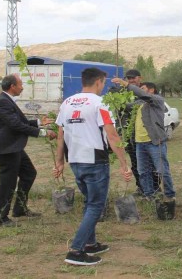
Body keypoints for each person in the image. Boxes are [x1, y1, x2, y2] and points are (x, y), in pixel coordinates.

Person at [54, 67, 132, 266]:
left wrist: (59, 161)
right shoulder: (100, 103)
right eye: (103, 83)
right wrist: (124, 163)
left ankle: (90, 243)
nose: (103, 86)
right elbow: (112, 135)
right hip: (95, 161)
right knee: (96, 206)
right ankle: (76, 250)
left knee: (90, 202)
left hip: (76, 160)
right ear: (98, 81)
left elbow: (61, 135)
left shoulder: (67, 102)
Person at [0, 74, 56, 227]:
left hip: (13, 147)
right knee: (8, 183)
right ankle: (0, 218)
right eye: (20, 84)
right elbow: (15, 125)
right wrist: (42, 132)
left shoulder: (6, 100)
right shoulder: (2, 102)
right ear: (12, 86)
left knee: (29, 173)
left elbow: (18, 122)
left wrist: (38, 122)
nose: (22, 87)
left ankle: (19, 209)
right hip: (7, 149)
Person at [111, 78, 175, 200]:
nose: (140, 91)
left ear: (151, 90)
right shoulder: (139, 103)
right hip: (140, 143)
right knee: (143, 171)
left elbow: (144, 96)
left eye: (143, 89)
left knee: (162, 170)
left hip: (155, 142)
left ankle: (170, 195)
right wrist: (115, 97)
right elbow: (125, 106)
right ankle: (149, 195)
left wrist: (127, 85)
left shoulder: (157, 100)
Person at [109, 69, 160, 196]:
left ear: (139, 78)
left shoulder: (144, 92)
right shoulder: (123, 92)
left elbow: (135, 105)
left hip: (145, 135)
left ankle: (156, 188)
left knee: (151, 163)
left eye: (133, 78)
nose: (131, 80)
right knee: (135, 163)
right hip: (130, 134)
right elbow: (119, 113)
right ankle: (141, 187)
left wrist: (121, 101)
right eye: (128, 78)